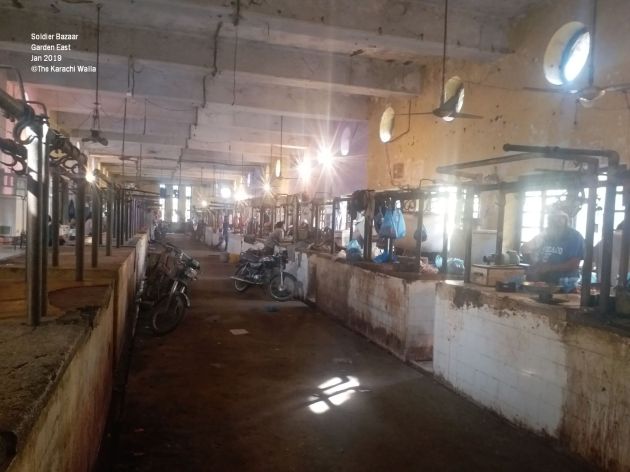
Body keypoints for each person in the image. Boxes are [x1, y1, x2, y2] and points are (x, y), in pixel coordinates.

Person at [522, 210, 584, 291]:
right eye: (551, 219)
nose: (555, 221)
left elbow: (574, 264)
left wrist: (549, 267)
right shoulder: (546, 235)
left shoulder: (574, 236)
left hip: (566, 285)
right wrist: (534, 266)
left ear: (565, 220)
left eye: (559, 218)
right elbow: (527, 249)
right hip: (545, 282)